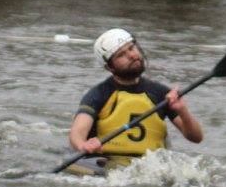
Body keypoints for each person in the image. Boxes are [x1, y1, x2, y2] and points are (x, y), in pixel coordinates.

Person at [67, 28, 203, 164]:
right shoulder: (99, 94)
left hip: (150, 167)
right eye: (121, 55)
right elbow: (77, 132)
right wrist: (83, 146)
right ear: (110, 67)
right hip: (109, 163)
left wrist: (182, 110)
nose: (132, 55)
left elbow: (196, 138)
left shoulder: (161, 93)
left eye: (132, 48)